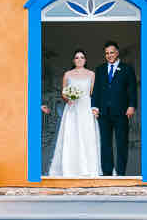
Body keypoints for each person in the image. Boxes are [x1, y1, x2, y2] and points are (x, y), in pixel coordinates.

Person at [43, 49, 102, 177]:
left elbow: (93, 93)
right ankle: (70, 168)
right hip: (72, 109)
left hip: (86, 108)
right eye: (77, 57)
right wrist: (68, 98)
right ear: (73, 60)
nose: (79, 59)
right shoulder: (68, 74)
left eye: (82, 57)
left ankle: (88, 169)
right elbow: (64, 93)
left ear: (85, 60)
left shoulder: (91, 74)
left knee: (87, 136)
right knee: (71, 136)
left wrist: (95, 108)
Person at [92, 40, 137, 176]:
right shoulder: (100, 69)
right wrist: (94, 106)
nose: (109, 55)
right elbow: (96, 90)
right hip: (104, 112)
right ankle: (107, 173)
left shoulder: (127, 69)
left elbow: (132, 89)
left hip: (121, 112)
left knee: (121, 143)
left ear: (117, 53)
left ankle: (121, 172)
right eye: (107, 53)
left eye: (112, 52)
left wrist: (132, 105)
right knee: (105, 144)